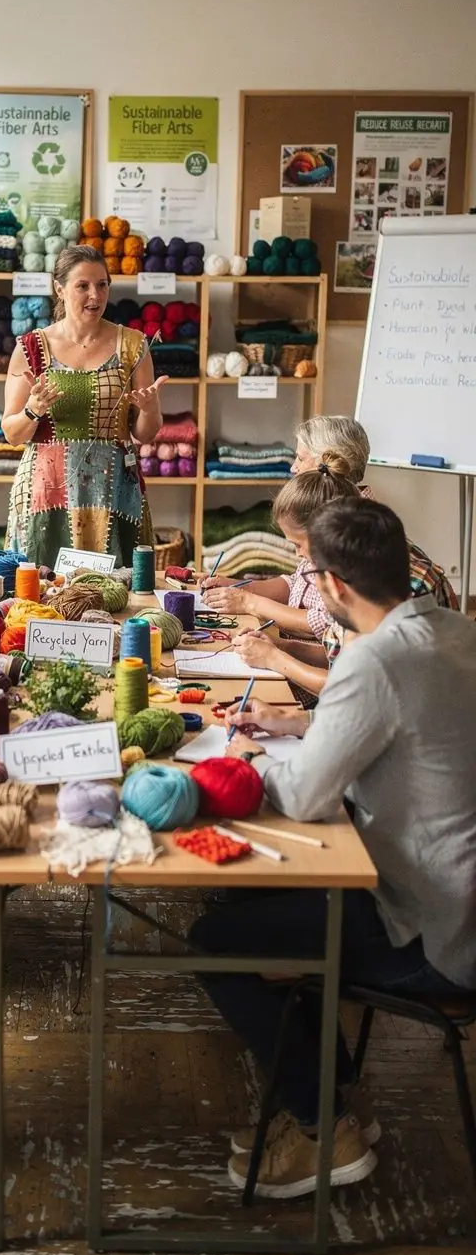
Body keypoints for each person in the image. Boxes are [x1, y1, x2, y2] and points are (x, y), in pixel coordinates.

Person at [192, 498, 476, 1199]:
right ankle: (339, 1099)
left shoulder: (374, 661)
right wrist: (293, 725)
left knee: (213, 938)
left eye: (311, 578)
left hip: (432, 933)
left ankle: (325, 1128)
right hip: (456, 898)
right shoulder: (455, 632)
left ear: (335, 586)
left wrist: (245, 758)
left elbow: (307, 797)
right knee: (277, 906)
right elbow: (392, 735)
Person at [2, 245, 168, 567]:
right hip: (46, 489)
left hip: (114, 489)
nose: (95, 295)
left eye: (102, 284)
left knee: (117, 596)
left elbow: (145, 435)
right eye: (83, 285)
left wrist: (149, 408)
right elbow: (12, 432)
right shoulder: (32, 348)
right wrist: (33, 408)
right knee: (41, 592)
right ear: (59, 289)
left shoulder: (133, 345)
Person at [292, 414, 457, 608]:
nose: (293, 467)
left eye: (301, 458)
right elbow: (302, 584)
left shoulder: (355, 535)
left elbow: (333, 622)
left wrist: (253, 604)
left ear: (328, 465)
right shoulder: (333, 518)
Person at [230, 462, 360, 698]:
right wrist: (278, 646)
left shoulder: (362, 592)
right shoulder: (343, 573)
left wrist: (274, 658)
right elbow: (336, 653)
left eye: (298, 545)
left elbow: (348, 689)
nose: (298, 554)